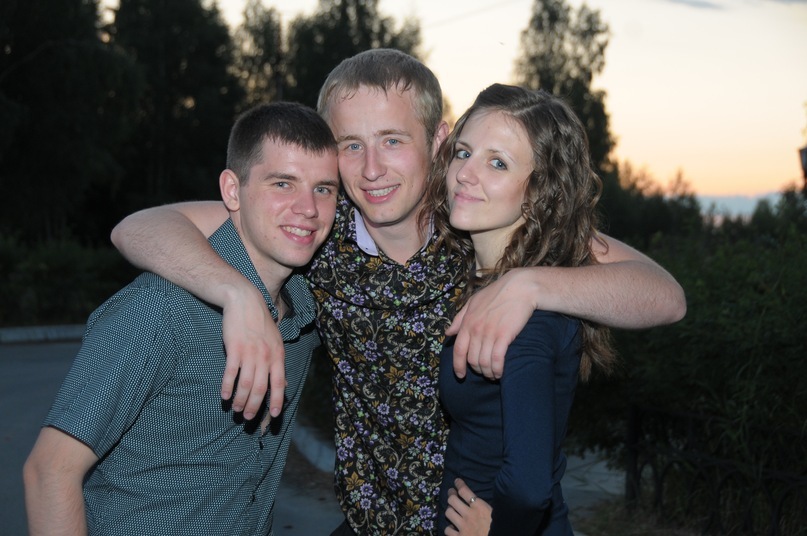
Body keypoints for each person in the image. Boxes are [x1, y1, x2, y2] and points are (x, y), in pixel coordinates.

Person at [110, 49, 686, 535]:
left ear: (438, 140)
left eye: (392, 140)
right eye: (350, 145)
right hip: (370, 523)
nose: (371, 168)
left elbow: (664, 296)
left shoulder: (478, 220)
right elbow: (139, 227)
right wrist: (236, 294)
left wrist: (529, 283)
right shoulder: (315, 230)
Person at [22, 102, 339, 536]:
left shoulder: (305, 312)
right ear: (232, 191)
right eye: (282, 183)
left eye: (324, 189)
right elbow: (49, 472)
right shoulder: (160, 309)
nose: (308, 208)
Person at [427, 84, 618, 536]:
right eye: (463, 153)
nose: (466, 173)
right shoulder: (496, 285)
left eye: (497, 163)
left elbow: (530, 489)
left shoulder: (523, 317)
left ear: (538, 193)